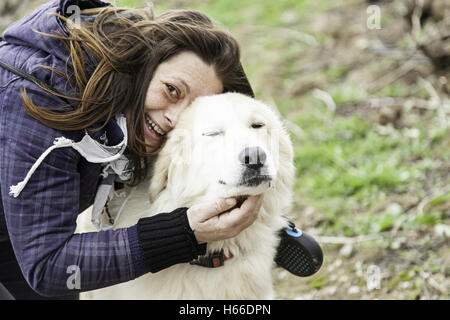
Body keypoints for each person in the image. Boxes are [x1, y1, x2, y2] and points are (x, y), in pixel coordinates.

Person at [0, 0, 322, 300]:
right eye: (171, 91)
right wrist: (183, 233)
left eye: (192, 109)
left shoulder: (128, 94)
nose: (174, 119)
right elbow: (48, 264)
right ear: (143, 64)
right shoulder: (41, 97)